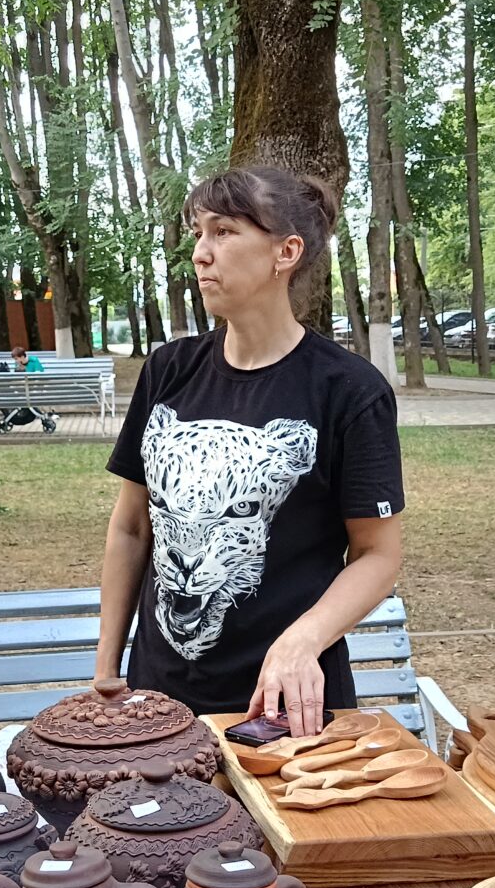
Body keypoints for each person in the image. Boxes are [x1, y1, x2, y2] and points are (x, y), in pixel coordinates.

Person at [95, 165, 404, 739]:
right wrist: (108, 664)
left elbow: (377, 555)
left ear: (285, 252)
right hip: (158, 693)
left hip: (288, 700)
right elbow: (133, 527)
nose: (201, 254)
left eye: (224, 232)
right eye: (197, 234)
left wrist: (301, 641)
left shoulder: (349, 391)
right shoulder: (169, 370)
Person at [0, 345, 58, 433]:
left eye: (17, 359)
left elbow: (39, 377)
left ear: (22, 357)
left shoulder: (34, 361)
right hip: (23, 390)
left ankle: (45, 414)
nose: (16, 361)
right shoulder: (18, 364)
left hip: (35, 389)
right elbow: (16, 379)